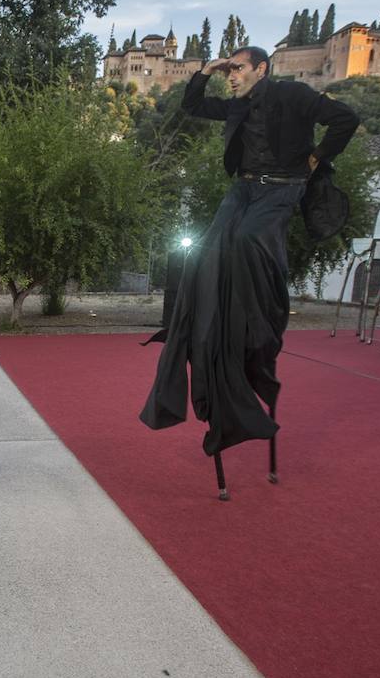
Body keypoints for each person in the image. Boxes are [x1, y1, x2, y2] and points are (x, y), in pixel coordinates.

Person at [140, 45, 358, 497]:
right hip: (242, 191)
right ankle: (208, 320)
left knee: (245, 241)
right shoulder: (237, 105)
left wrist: (317, 157)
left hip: (282, 191)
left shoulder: (295, 95)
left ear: (262, 68)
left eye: (237, 69)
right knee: (202, 253)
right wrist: (204, 70)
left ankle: (259, 314)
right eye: (229, 70)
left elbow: (346, 119)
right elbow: (194, 105)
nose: (232, 76)